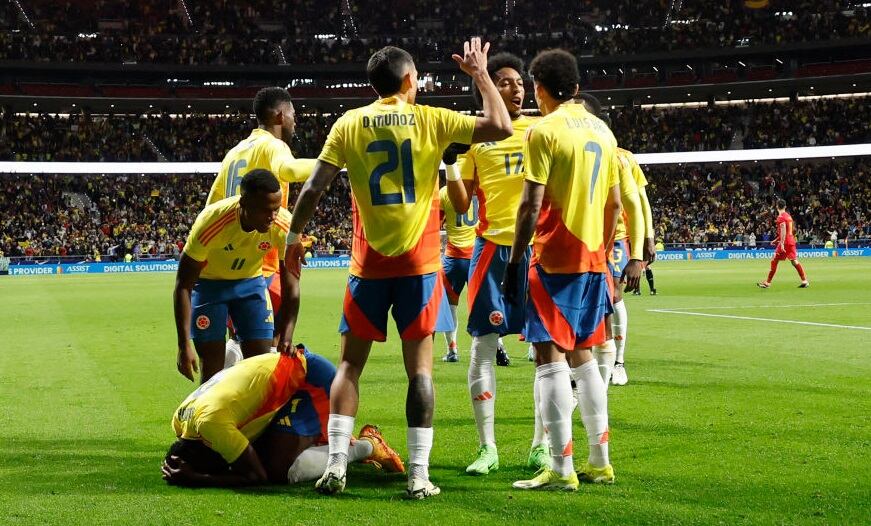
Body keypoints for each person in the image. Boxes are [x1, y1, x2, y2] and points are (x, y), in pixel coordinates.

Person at [285, 40, 512, 499]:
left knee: (349, 367)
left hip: (367, 266)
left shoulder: (349, 123)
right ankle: (418, 475)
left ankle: (336, 468)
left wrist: (292, 241)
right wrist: (480, 75)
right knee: (421, 373)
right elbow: (501, 126)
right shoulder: (431, 119)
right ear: (410, 80)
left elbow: (312, 188)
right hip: (421, 267)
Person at [503, 49, 630, 491]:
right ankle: (600, 461)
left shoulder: (544, 131)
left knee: (548, 359)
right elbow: (615, 205)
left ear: (539, 87)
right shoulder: (603, 131)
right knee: (585, 358)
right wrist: (601, 251)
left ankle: (561, 469)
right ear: (575, 85)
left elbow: (530, 204)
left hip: (554, 261)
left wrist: (515, 261)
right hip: (594, 261)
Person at [441, 52, 535, 475]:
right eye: (506, 83)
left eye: (519, 82)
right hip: (491, 252)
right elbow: (461, 204)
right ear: (488, 89)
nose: (516, 89)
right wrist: (449, 164)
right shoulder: (477, 140)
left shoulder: (540, 130)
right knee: (481, 346)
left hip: (538, 252)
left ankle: (542, 445)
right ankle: (487, 448)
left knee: (550, 351)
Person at [162, 345, 405, 487]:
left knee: (278, 469)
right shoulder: (181, 418)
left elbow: (257, 477)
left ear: (205, 446)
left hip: (310, 380)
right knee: (257, 452)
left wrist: (199, 478)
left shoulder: (211, 424)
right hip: (285, 382)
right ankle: (323, 437)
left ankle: (367, 446)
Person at [206, 87, 318, 363]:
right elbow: (289, 171)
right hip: (263, 258)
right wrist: (333, 162)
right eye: (293, 114)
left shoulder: (234, 152)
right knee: (268, 348)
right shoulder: (274, 145)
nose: (295, 120)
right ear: (280, 115)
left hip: (232, 260)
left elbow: (211, 208)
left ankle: (222, 390)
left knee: (239, 339)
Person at [173, 169, 299, 384]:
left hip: (251, 284)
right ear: (245, 202)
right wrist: (183, 344)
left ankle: (254, 418)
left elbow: (292, 288)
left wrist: (286, 334)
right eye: (265, 210)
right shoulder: (211, 222)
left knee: (260, 366)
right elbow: (183, 285)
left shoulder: (284, 226)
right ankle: (208, 416)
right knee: (212, 367)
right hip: (209, 286)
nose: (272, 217)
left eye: (276, 209)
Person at [438, 181, 477, 363]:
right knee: (483, 304)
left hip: (454, 258)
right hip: (478, 256)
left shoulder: (445, 192)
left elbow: (435, 222)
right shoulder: (481, 188)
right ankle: (498, 347)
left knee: (450, 306)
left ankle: (452, 349)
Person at [757, 199, 809, 289]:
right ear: (785, 207)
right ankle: (804, 281)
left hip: (785, 242)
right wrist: (776, 240)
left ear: (777, 206)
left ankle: (767, 283)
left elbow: (783, 230)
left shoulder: (780, 217)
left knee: (774, 260)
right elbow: (790, 231)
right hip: (791, 241)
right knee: (794, 261)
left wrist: (781, 243)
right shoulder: (788, 216)